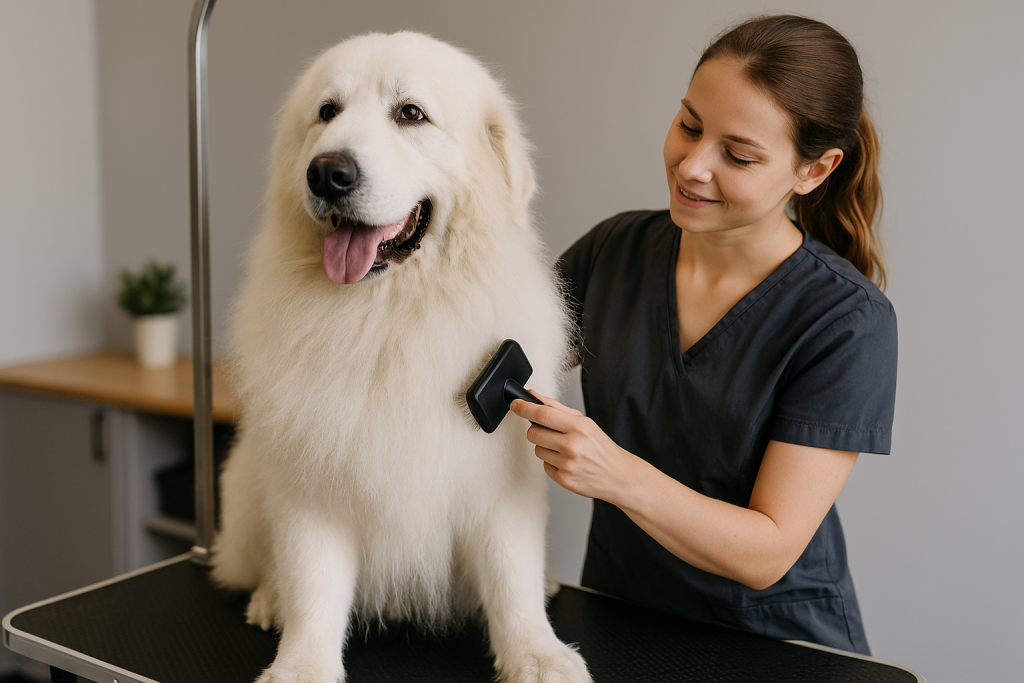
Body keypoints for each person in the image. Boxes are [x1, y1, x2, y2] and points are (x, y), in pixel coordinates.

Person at [509, 14, 897, 655]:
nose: (692, 167)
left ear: (814, 170)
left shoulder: (848, 321)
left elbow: (768, 552)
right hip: (620, 616)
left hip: (775, 648)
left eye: (738, 155)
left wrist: (615, 473)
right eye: (690, 125)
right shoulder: (614, 250)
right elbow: (493, 361)